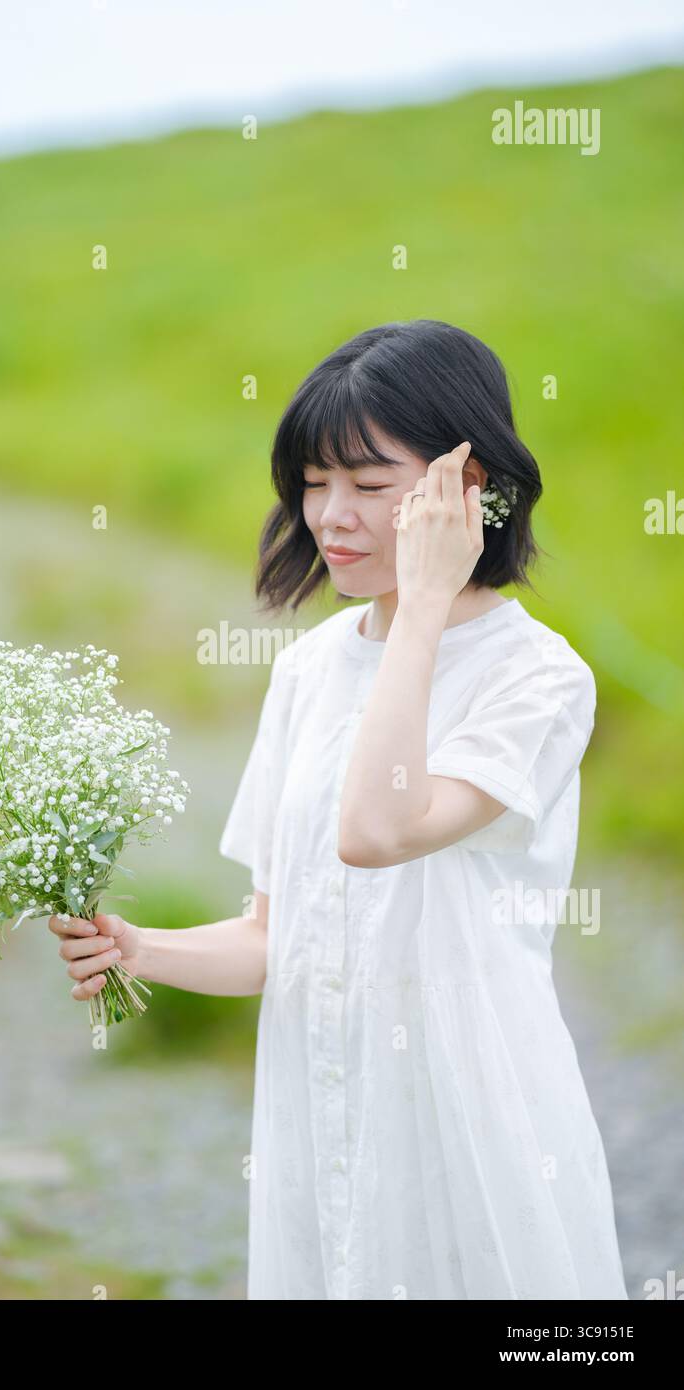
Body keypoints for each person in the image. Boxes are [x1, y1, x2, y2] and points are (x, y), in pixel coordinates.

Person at [50, 319, 628, 1301]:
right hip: (321, 1108)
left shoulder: (537, 678)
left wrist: (424, 608)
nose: (329, 516)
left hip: (468, 1117)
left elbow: (376, 831)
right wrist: (140, 948)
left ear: (465, 486)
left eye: (366, 485)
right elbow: (280, 934)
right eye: (313, 483)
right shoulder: (308, 669)